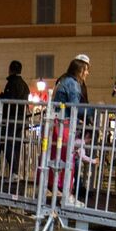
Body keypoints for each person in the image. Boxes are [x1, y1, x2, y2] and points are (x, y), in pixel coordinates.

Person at [49, 56, 90, 207]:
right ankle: (67, 195)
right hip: (64, 125)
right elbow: (75, 107)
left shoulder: (65, 81)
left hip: (58, 123)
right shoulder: (73, 84)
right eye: (86, 70)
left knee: (59, 158)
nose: (87, 73)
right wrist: (93, 111)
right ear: (80, 70)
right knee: (68, 160)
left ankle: (63, 193)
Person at [0, 61, 29, 186]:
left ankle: (14, 171)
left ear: (10, 69)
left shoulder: (11, 83)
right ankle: (16, 172)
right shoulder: (24, 84)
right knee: (16, 144)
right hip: (21, 118)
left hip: (12, 118)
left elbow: (8, 101)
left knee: (7, 143)